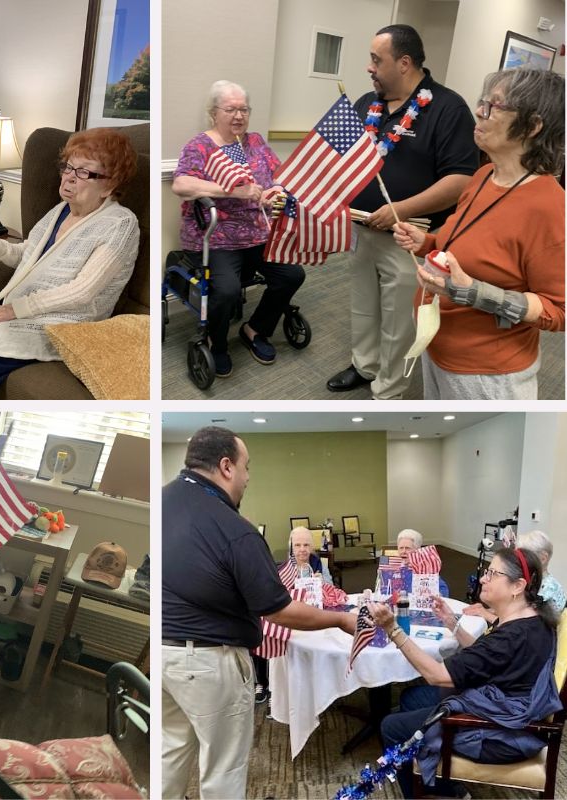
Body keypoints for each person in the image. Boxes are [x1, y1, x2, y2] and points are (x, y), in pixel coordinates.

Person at [162, 426, 356, 798]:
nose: (248, 478)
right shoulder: (237, 530)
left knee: (171, 754)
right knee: (223, 768)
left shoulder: (162, 501)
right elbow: (278, 609)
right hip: (209, 664)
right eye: (246, 467)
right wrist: (341, 618)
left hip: (164, 655)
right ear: (226, 467)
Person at [393, 68, 565, 399]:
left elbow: (557, 311)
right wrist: (426, 242)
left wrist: (472, 292)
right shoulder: (484, 174)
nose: (479, 112)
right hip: (437, 343)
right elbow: (465, 243)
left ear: (532, 126)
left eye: (493, 106)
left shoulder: (550, 208)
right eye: (482, 102)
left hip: (486, 372)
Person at [0, 127, 139, 399]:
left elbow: (83, 291)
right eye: (68, 167)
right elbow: (26, 254)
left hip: (66, 323)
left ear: (110, 184)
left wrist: (17, 310)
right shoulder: (60, 210)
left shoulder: (121, 224)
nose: (69, 179)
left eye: (84, 172)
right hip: (23, 307)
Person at [326, 24, 477, 399]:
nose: (369, 67)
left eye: (377, 59)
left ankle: (389, 389)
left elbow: (461, 179)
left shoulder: (448, 108)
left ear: (405, 63)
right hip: (361, 230)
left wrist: (398, 210)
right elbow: (336, 158)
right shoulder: (365, 104)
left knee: (399, 319)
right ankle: (365, 365)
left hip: (409, 237)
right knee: (363, 306)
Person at [372, 547, 561, 798]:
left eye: (492, 573)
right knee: (410, 699)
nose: (483, 578)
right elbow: (487, 658)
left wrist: (393, 629)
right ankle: (438, 778)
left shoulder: (512, 635)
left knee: (391, 726)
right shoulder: (531, 618)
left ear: (518, 586)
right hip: (504, 705)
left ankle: (431, 789)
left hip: (502, 731)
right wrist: (452, 621)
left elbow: (437, 675)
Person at [170, 80, 305, 378]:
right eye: (231, 109)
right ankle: (217, 344)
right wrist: (233, 190)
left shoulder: (254, 142)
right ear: (213, 112)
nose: (239, 116)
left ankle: (255, 329)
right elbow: (181, 184)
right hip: (216, 240)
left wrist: (274, 192)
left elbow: (277, 176)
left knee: (292, 275)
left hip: (257, 234)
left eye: (244, 109)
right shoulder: (200, 146)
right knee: (228, 290)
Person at [395, 528, 449, 595]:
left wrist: (436, 594)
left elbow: (443, 590)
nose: (403, 552)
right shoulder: (391, 567)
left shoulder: (424, 567)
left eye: (407, 548)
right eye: (401, 548)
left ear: (417, 550)